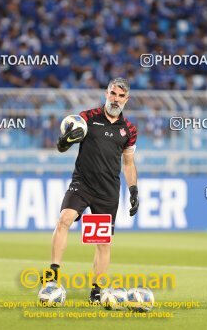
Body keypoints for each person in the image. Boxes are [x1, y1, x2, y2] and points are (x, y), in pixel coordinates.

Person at [44, 78, 139, 303]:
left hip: (107, 190)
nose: (116, 99)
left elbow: (128, 163)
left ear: (127, 99)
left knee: (102, 243)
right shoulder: (86, 118)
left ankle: (96, 291)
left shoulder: (129, 130)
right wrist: (63, 142)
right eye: (113, 94)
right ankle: (52, 278)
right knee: (64, 219)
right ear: (106, 93)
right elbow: (64, 144)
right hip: (83, 183)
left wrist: (133, 190)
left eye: (121, 96)